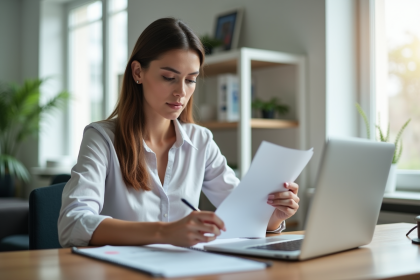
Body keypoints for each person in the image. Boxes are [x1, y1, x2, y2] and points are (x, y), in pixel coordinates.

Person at [58, 18, 300, 248]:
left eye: (191, 80)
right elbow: (72, 224)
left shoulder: (200, 140)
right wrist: (164, 232)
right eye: (169, 77)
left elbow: (242, 213)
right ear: (137, 73)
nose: (181, 92)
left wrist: (274, 217)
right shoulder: (101, 138)